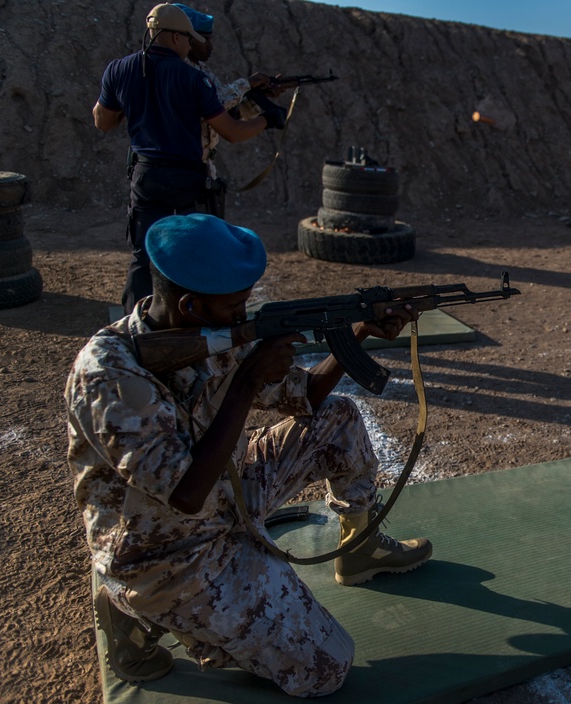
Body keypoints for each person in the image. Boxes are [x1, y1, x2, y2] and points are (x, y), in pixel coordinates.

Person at [65, 213, 432, 696]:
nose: (245, 318)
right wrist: (245, 382)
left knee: (337, 418)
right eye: (236, 308)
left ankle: (359, 549)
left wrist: (358, 330)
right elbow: (185, 496)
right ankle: (135, 610)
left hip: (229, 493)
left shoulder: (211, 331)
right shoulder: (111, 377)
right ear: (192, 306)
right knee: (325, 668)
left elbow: (305, 395)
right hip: (166, 551)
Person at [92, 3, 287, 314]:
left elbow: (103, 121)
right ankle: (192, 319)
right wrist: (268, 120)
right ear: (174, 37)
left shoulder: (118, 69)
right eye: (188, 39)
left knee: (144, 255)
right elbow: (233, 132)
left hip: (145, 174)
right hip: (187, 178)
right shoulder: (194, 79)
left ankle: (136, 326)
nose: (190, 45)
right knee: (194, 252)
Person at [173, 3, 288, 218]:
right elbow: (216, 103)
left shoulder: (202, 71)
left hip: (201, 168)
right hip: (181, 170)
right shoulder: (182, 72)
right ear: (189, 39)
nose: (210, 46)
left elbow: (226, 114)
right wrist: (248, 84)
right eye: (205, 39)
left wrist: (257, 100)